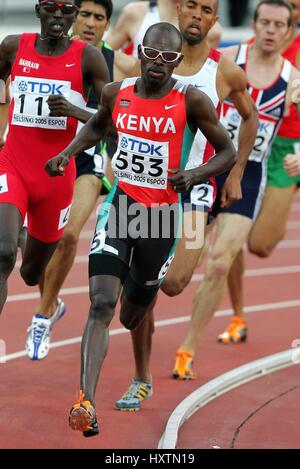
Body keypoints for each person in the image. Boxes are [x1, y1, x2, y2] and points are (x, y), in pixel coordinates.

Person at [46, 22, 236, 437]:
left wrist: (196, 174)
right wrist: (66, 154)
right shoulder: (118, 92)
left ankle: (140, 357)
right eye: (153, 54)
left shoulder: (193, 100)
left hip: (161, 219)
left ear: (177, 62)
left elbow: (229, 150)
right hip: (120, 208)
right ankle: (85, 402)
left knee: (133, 314)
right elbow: (99, 125)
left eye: (169, 58)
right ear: (141, 51)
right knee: (100, 303)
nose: (159, 64)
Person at [114, 0, 258, 411]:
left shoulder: (225, 71)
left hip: (192, 191)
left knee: (174, 281)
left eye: (206, 10)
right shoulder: (151, 60)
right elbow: (113, 102)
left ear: (214, 20)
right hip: (140, 189)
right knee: (141, 286)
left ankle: (143, 290)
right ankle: (141, 376)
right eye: (190, 7)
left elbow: (249, 119)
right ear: (179, 13)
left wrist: (234, 172)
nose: (197, 15)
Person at [172, 0, 300, 377]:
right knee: (178, 273)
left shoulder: (293, 79)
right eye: (265, 22)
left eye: (280, 25)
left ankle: (187, 349)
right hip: (204, 172)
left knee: (220, 261)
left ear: (289, 33)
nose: (272, 30)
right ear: (254, 25)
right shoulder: (226, 60)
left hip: (247, 179)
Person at [0, 0, 109, 319]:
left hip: (57, 175)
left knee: (31, 274)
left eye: (66, 8)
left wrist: (74, 111)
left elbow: (112, 123)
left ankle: (26, 234)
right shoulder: (12, 47)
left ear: (74, 14)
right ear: (38, 10)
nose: (58, 14)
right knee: (3, 253)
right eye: (51, 6)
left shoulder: (89, 58)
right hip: (13, 165)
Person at [25, 0, 115, 361]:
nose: (91, 23)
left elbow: (117, 118)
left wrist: (76, 111)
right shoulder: (45, 48)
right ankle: (51, 300)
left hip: (87, 162)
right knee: (35, 246)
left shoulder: (115, 61)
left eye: (100, 17)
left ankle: (43, 314)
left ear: (109, 24)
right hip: (41, 159)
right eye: (87, 15)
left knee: (69, 235)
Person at [218, 0, 300, 343]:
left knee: (261, 245)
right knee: (230, 238)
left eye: (296, 8)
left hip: (286, 148)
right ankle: (237, 315)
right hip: (244, 146)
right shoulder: (247, 47)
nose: (289, 13)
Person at [106, 0, 222, 77]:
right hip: (137, 91)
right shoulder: (134, 12)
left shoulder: (210, 30)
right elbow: (104, 50)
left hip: (178, 99)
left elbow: (202, 74)